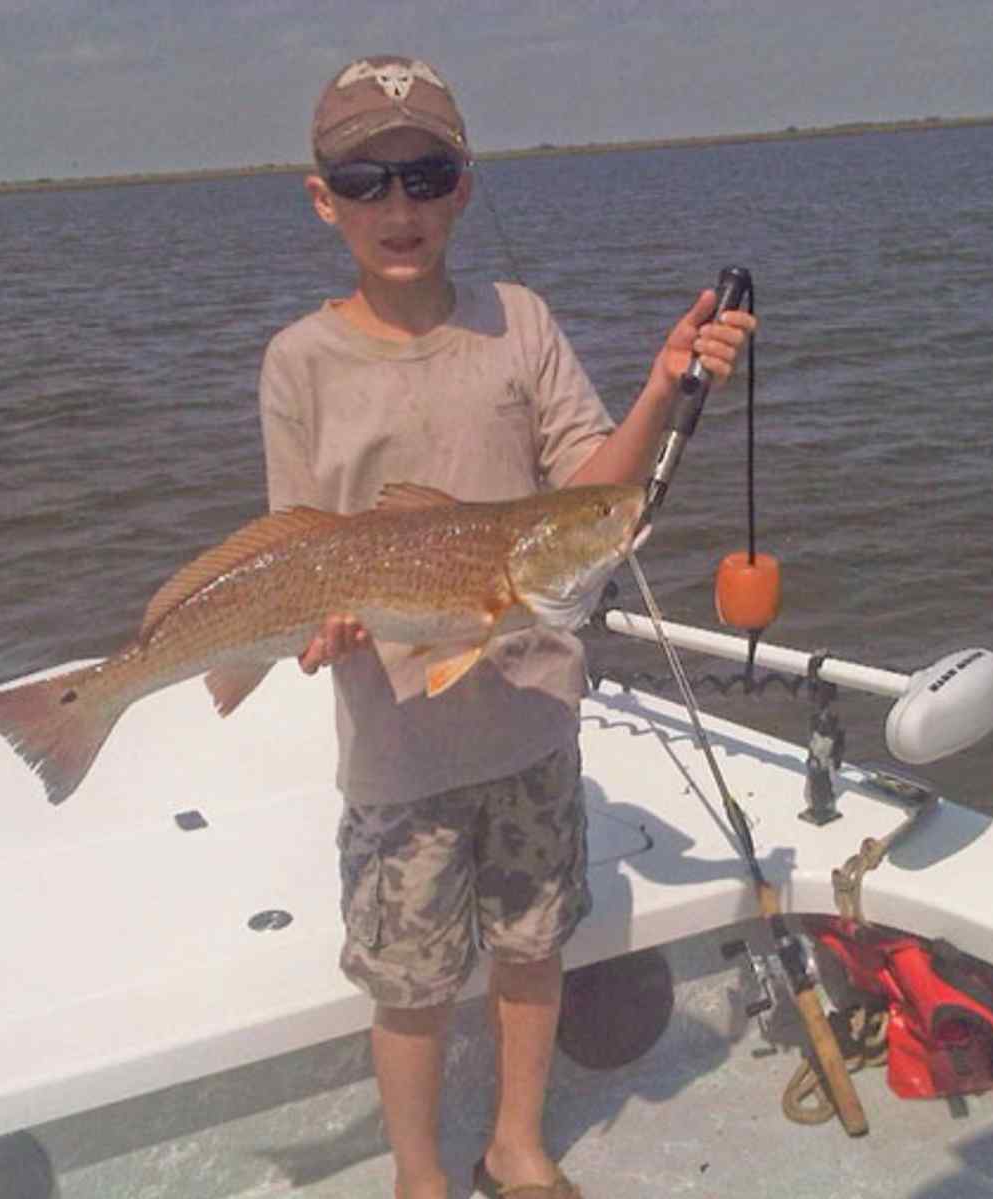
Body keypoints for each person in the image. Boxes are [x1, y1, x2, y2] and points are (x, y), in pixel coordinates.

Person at [258, 55, 756, 1199]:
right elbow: (295, 545)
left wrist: (664, 382)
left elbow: (592, 489)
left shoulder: (518, 321)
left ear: (464, 188)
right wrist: (315, 628)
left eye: (425, 176)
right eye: (366, 180)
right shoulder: (298, 362)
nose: (399, 205)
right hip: (397, 750)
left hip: (531, 723)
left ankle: (517, 1142)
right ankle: (418, 1172)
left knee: (533, 949)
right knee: (411, 983)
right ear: (323, 197)